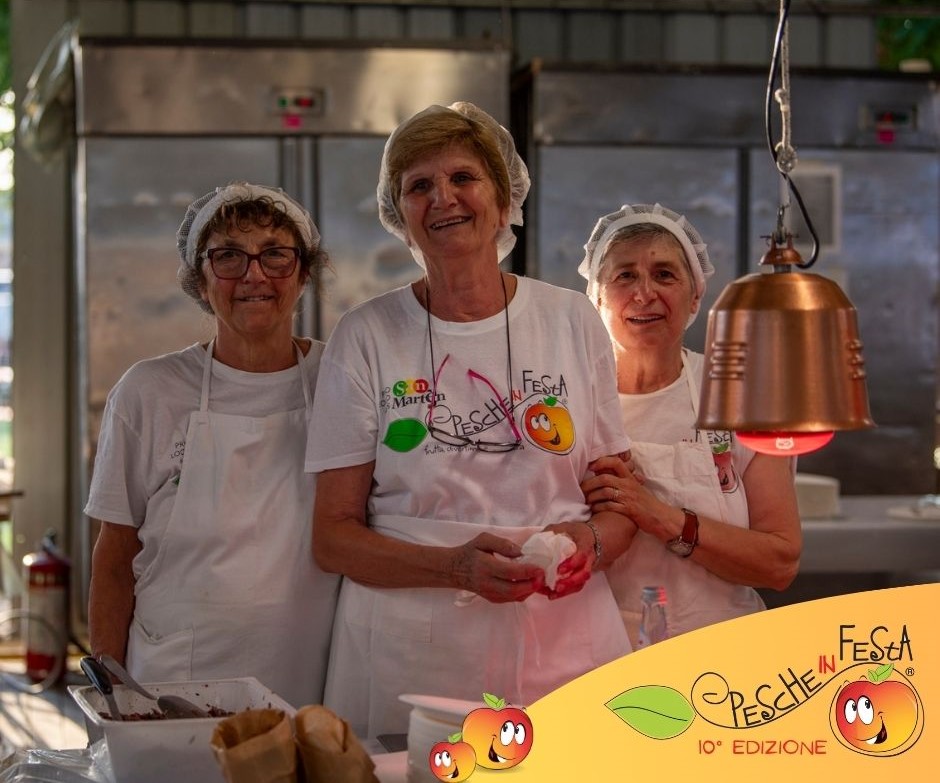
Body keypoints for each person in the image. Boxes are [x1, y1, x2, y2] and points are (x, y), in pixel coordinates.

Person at [305, 102, 635, 741]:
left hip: (560, 637)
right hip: (410, 650)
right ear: (399, 213)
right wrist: (453, 569)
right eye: (419, 186)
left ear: (504, 198)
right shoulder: (367, 335)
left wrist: (589, 544)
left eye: (463, 177)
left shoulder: (571, 320)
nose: (443, 199)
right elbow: (333, 537)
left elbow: (619, 506)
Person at [86, 182, 340, 707]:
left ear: (303, 273)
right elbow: (114, 557)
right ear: (199, 281)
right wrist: (115, 695)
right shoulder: (148, 391)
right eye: (228, 256)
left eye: (275, 254)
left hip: (309, 677)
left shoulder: (341, 378)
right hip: (174, 682)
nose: (254, 275)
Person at [577, 203, 802, 646]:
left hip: (723, 654)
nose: (644, 294)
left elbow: (779, 563)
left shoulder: (740, 396)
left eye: (664, 275)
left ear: (695, 296)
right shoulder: (568, 403)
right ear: (596, 298)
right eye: (624, 276)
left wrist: (658, 515)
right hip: (598, 657)